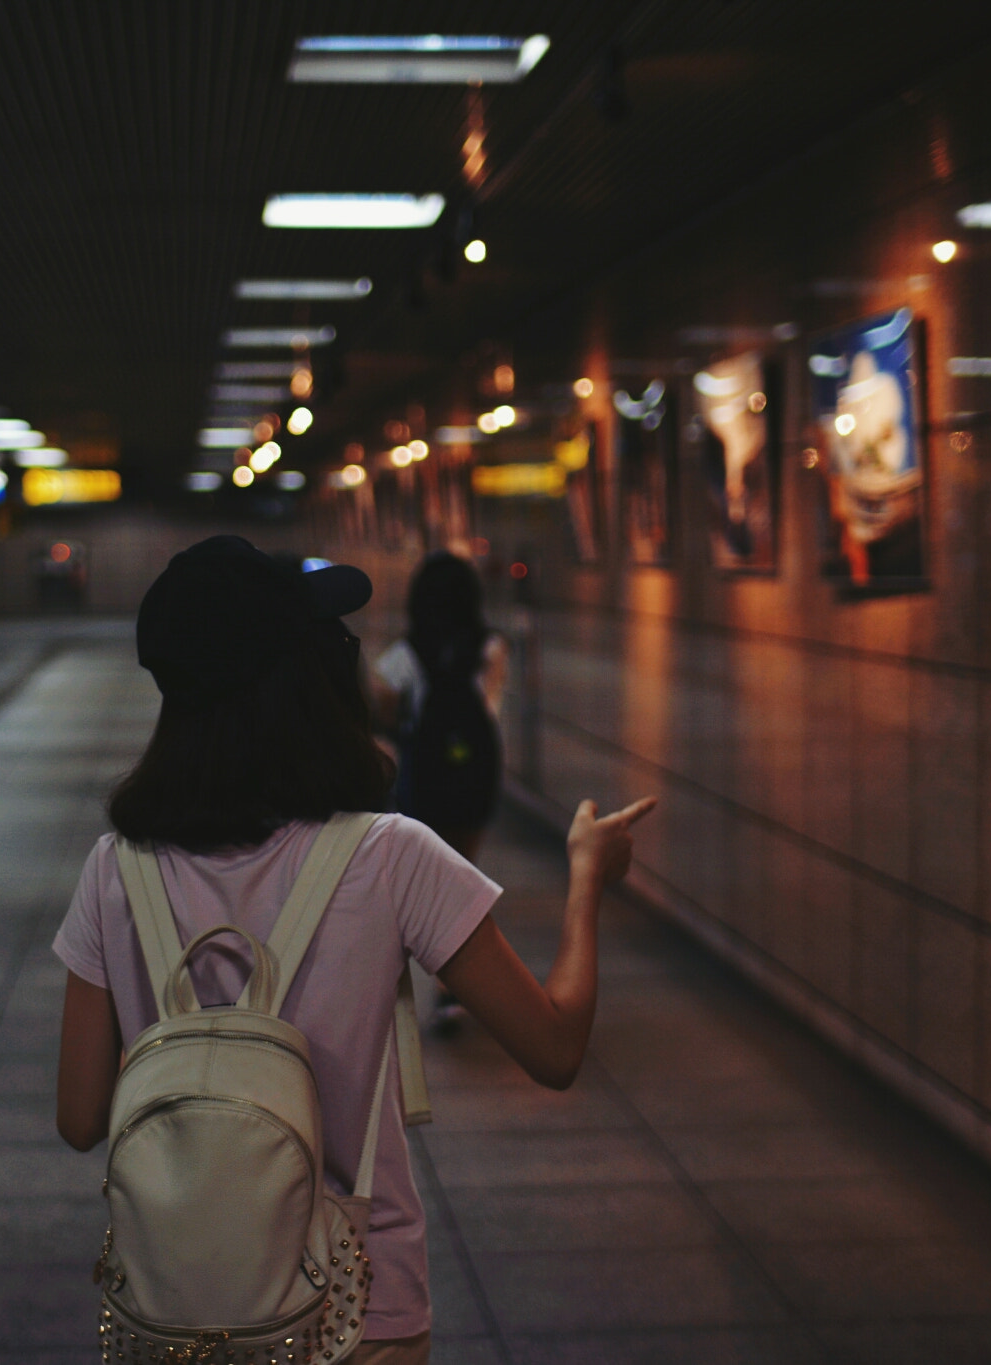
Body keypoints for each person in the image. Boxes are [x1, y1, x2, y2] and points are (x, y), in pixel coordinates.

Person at [52, 535, 654, 1363]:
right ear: (300, 677)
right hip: (356, 1309)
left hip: (178, 1310)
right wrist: (587, 876)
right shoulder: (388, 855)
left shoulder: (113, 869)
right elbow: (553, 1046)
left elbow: (81, 1115)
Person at [370, 553, 511, 1032]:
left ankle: (428, 979)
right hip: (475, 772)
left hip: (426, 777)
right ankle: (454, 989)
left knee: (428, 875)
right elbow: (491, 706)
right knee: (466, 872)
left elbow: (385, 707)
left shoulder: (405, 653)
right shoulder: (490, 648)